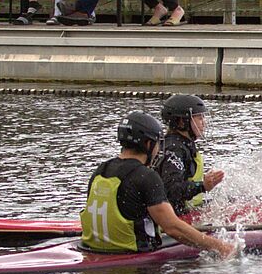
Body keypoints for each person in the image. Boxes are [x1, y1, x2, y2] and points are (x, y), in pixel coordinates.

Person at [80, 110, 235, 258]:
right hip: (132, 256)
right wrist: (221, 247)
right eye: (157, 143)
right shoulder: (146, 177)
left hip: (93, 249)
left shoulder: (100, 170)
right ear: (148, 144)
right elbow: (172, 228)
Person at [154, 93, 225, 214]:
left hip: (187, 208)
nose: (204, 123)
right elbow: (172, 190)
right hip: (174, 215)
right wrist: (202, 186)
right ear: (182, 122)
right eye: (199, 118)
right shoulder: (174, 149)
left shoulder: (183, 144)